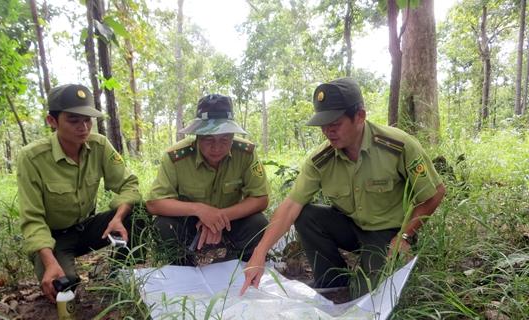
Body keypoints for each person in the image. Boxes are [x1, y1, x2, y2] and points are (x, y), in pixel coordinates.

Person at [242, 77, 445, 297]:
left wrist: (404, 237)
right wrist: (259, 253)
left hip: (387, 234)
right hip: (349, 226)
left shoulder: (398, 146)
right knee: (306, 215)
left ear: (360, 116)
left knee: (367, 297)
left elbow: (434, 194)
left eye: (335, 124)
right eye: (323, 126)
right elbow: (291, 205)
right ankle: (331, 281)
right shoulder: (321, 159)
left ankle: (363, 278)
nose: (328, 132)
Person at [17, 84, 142, 303]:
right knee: (64, 288)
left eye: (87, 120)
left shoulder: (100, 145)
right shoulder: (32, 158)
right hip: (53, 239)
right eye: (74, 121)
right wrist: (49, 262)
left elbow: (128, 185)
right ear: (52, 121)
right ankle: (58, 267)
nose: (83, 127)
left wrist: (118, 217)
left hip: (86, 229)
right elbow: (32, 219)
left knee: (139, 212)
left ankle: (121, 273)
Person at [146, 94, 269, 264]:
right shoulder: (175, 157)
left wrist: (219, 217)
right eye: (208, 139)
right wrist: (199, 210)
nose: (216, 147)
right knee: (163, 226)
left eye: (225, 139)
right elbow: (154, 203)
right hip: (190, 223)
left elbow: (260, 198)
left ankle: (240, 264)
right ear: (197, 136)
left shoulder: (245, 153)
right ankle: (182, 265)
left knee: (258, 223)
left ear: (233, 136)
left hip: (230, 220)